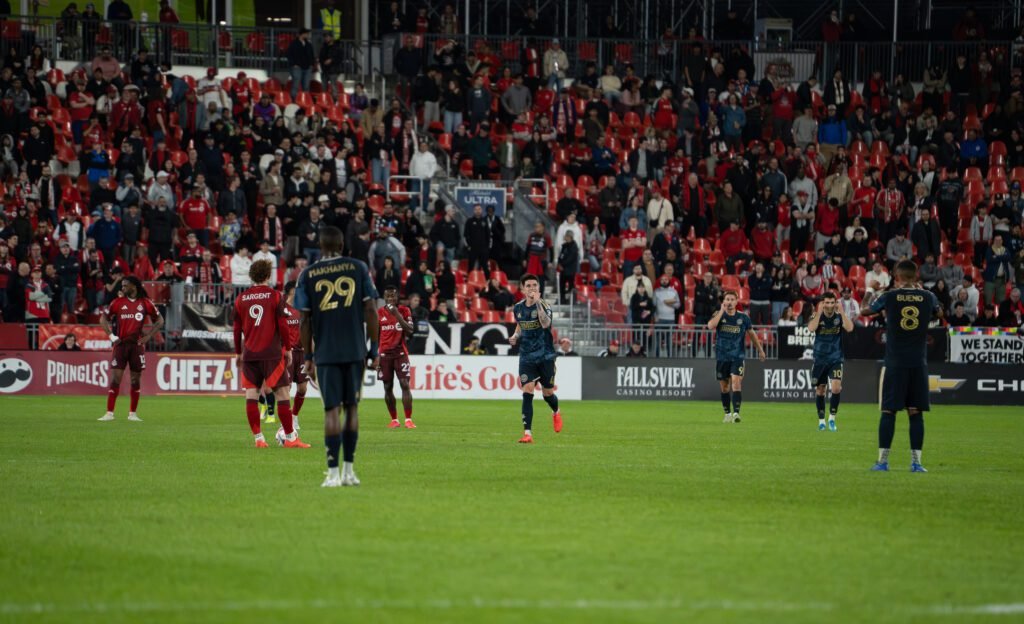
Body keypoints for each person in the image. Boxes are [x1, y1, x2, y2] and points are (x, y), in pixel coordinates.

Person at [296, 226, 380, 488]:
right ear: (343, 245)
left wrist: (308, 356)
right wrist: (374, 349)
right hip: (354, 349)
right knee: (352, 408)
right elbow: (370, 309)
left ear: (321, 246)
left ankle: (332, 473)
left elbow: (304, 320)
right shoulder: (358, 268)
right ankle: (349, 471)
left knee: (331, 410)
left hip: (326, 352)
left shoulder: (308, 274)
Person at [862, 260, 943, 473]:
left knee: (888, 411)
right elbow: (940, 314)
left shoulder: (890, 296)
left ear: (897, 277)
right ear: (916, 276)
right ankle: (916, 463)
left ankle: (882, 462)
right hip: (918, 363)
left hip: (895, 363)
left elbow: (864, 311)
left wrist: (870, 289)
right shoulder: (928, 296)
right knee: (915, 412)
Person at [233, 260, 310, 449]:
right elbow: (283, 324)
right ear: (268, 275)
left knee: (251, 395)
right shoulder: (275, 296)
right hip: (272, 354)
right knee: (283, 394)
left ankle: (259, 439)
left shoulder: (240, 299)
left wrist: (238, 353)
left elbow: (236, 329)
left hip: (250, 354)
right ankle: (291, 438)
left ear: (251, 276)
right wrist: (289, 349)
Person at [98, 277, 164, 422]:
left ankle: (132, 414)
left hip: (137, 346)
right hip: (120, 345)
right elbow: (103, 318)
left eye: (125, 285)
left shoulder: (146, 303)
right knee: (116, 379)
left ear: (133, 286)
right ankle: (109, 413)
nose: (122, 288)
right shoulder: (117, 302)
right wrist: (111, 336)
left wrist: (149, 336)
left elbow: (160, 320)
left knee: (135, 380)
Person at [508, 274, 562, 444]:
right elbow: (520, 323)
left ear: (538, 288)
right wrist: (515, 335)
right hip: (526, 356)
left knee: (548, 394)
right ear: (523, 289)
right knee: (527, 390)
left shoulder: (545, 305)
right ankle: (528, 433)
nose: (532, 288)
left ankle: (556, 411)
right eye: (528, 285)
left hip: (545, 355)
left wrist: (537, 302)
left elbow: (545, 324)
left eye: (534, 285)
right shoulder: (517, 308)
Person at [707, 290, 767, 424]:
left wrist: (760, 350)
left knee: (736, 381)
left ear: (736, 301)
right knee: (724, 387)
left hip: (737, 357)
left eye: (732, 299)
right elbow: (710, 326)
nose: (729, 302)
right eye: (727, 299)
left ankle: (736, 413)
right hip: (722, 357)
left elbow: (752, 334)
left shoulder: (744, 318)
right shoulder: (718, 315)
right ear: (723, 302)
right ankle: (727, 413)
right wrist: (721, 311)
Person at [807, 292, 855, 431]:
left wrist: (842, 312)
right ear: (823, 303)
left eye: (832, 302)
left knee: (836, 388)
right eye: (826, 302)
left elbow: (850, 328)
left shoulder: (839, 316)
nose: (829, 305)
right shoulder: (817, 315)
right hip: (820, 358)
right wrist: (818, 312)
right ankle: (821, 421)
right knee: (821, 390)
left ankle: (832, 419)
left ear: (835, 303)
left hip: (836, 358)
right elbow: (811, 328)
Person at [377, 285, 415, 429]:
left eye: (393, 296)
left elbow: (410, 330)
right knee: (387, 387)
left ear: (397, 297)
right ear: (384, 298)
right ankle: (394, 420)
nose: (390, 298)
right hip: (384, 355)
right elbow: (376, 335)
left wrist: (397, 315)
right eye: (388, 296)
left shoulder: (405, 310)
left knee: (404, 384)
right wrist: (376, 355)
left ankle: (408, 420)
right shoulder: (379, 312)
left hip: (400, 354)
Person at [282, 281, 309, 431]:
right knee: (286, 388)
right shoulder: (282, 309)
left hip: (302, 352)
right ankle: (285, 421)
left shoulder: (302, 310)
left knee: (303, 388)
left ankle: (294, 416)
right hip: (287, 353)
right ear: (290, 292)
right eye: (295, 291)